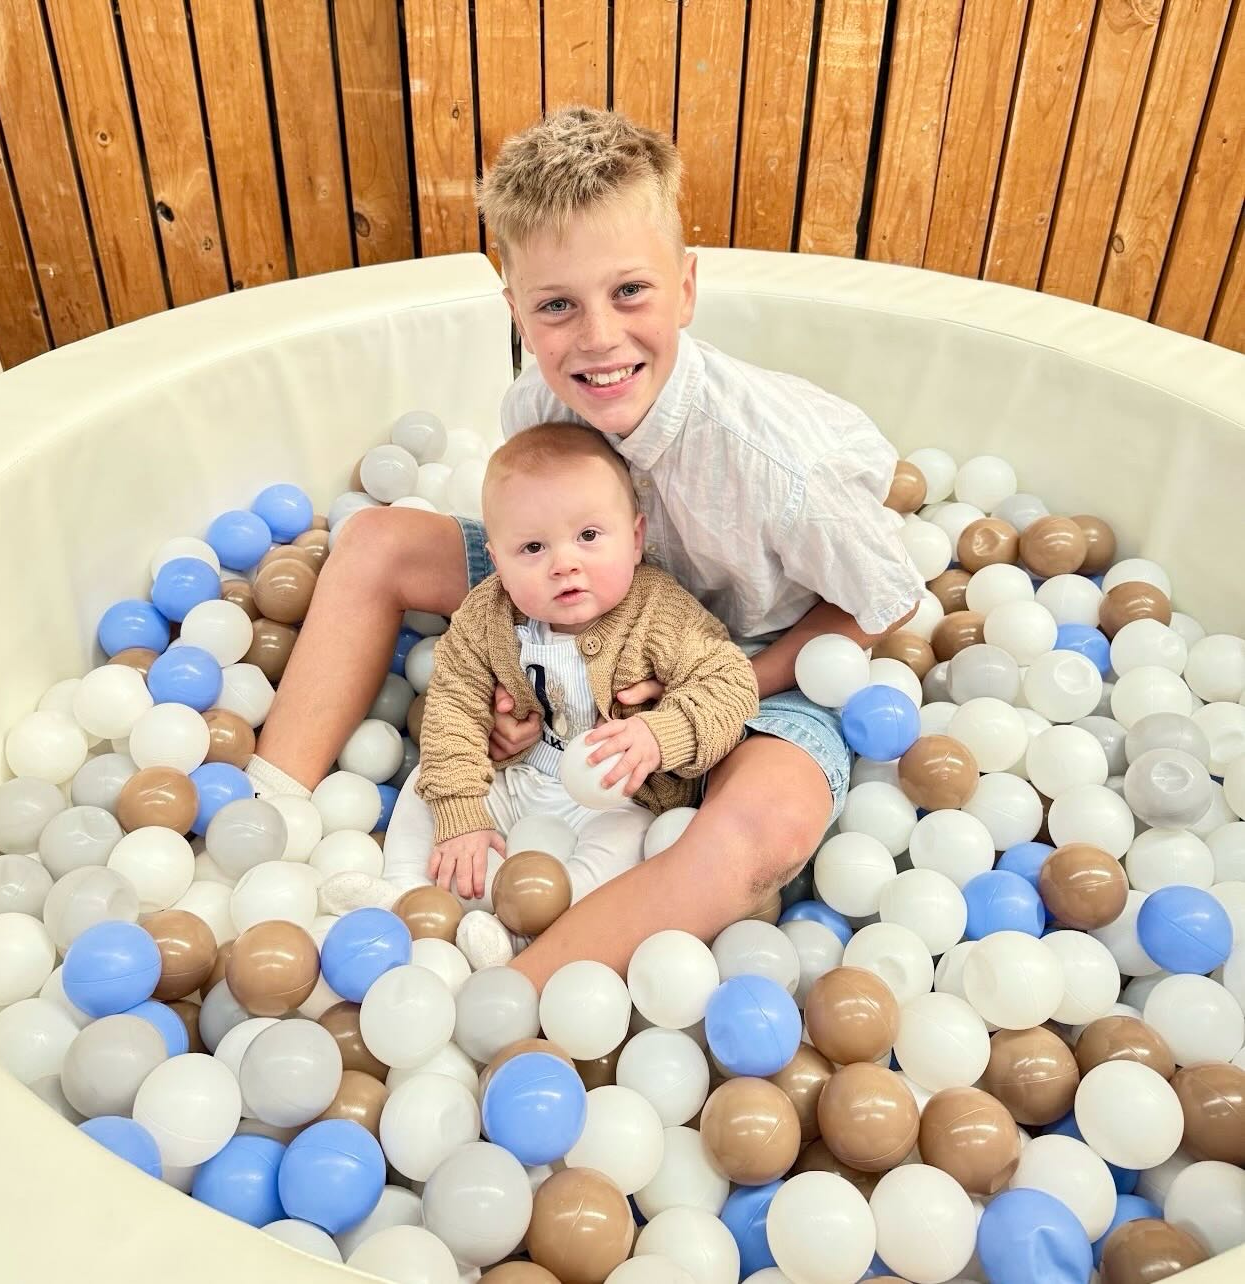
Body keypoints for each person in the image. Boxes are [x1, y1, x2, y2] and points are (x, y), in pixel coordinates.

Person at [250, 106, 923, 989]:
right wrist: (525, 669)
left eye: (630, 292)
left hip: (759, 649)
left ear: (685, 287)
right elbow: (528, 560)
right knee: (373, 539)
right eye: (558, 306)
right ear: (515, 310)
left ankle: (508, 997)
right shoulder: (537, 405)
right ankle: (266, 830)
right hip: (586, 582)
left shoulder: (770, 463)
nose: (599, 339)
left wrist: (711, 693)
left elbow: (889, 598)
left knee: (769, 829)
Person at [356, 422, 758, 968]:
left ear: (636, 538)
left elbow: (730, 682)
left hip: (619, 797)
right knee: (427, 787)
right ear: (496, 561)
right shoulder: (487, 614)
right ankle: (403, 896)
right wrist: (461, 811)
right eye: (533, 547)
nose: (564, 563)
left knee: (631, 858)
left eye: (590, 536)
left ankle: (526, 934)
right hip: (519, 775)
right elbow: (453, 705)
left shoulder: (658, 612)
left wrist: (657, 735)